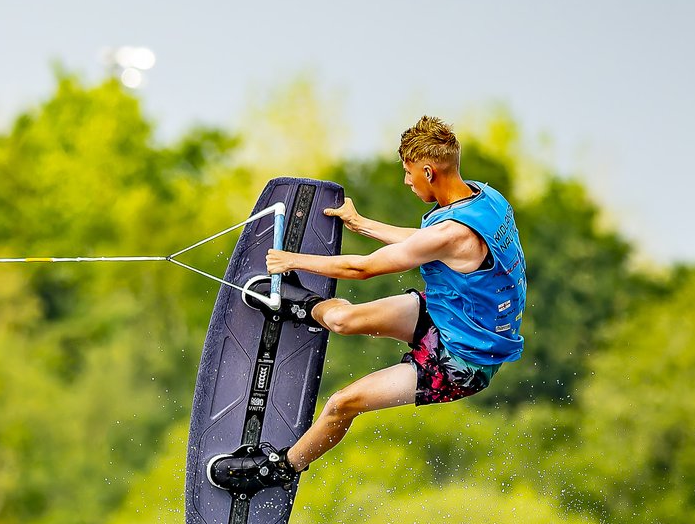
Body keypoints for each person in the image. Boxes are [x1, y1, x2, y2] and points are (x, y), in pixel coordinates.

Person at [207, 116, 527, 495]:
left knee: (344, 403)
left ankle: (276, 468)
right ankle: (301, 307)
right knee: (342, 319)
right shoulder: (486, 199)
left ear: (428, 171)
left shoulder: (454, 233)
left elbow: (363, 268)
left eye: (409, 174)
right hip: (449, 314)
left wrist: (292, 260)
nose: (407, 182)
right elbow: (425, 241)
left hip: (462, 362)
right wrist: (361, 224)